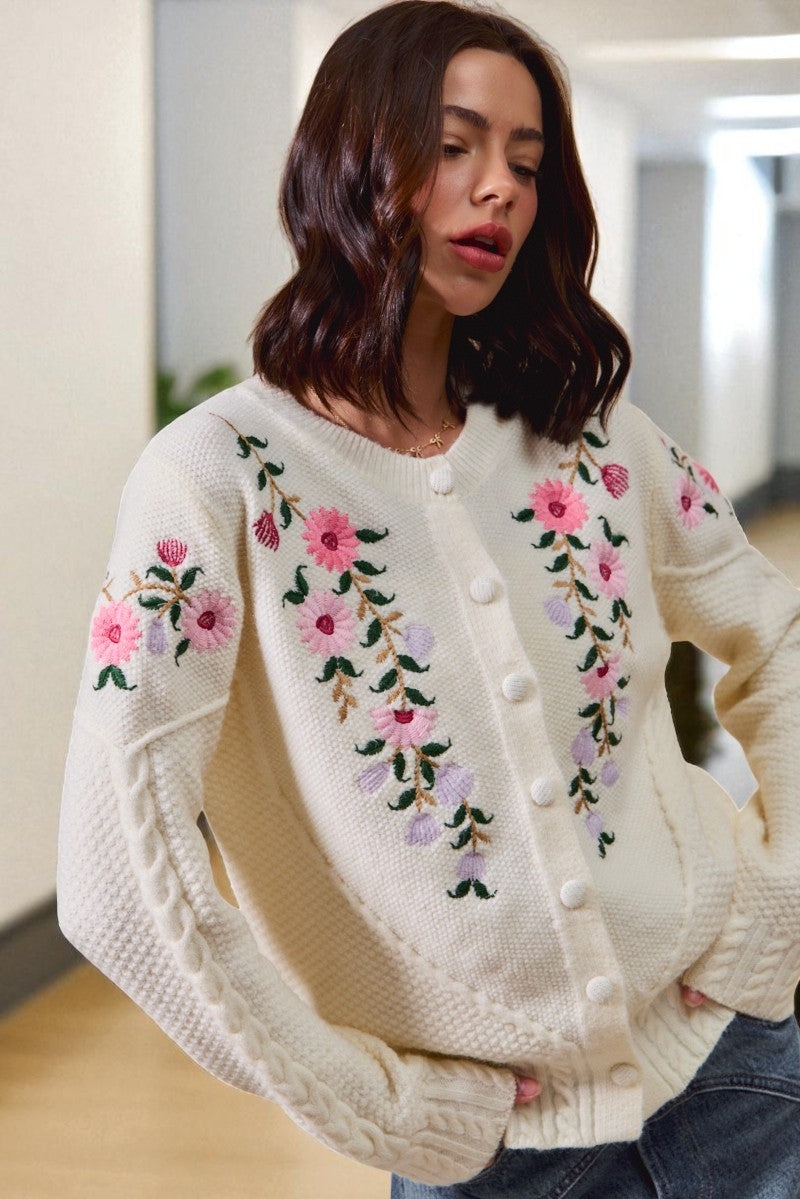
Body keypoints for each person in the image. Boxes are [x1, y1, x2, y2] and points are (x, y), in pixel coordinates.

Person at [57, 2, 800, 1195]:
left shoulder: (588, 435)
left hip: (743, 1071)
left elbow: (778, 631)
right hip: (490, 1153)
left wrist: (778, 896)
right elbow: (116, 868)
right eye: (453, 145)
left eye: (525, 161)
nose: (498, 187)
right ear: (349, 160)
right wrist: (373, 1102)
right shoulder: (217, 477)